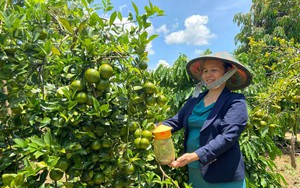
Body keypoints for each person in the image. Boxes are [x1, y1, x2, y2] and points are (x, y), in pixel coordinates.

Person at [161, 51, 252, 188]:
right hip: (195, 171)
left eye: (214, 70)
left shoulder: (235, 101)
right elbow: (175, 122)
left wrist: (195, 155)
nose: (208, 75)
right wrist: (154, 127)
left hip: (223, 175)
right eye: (205, 70)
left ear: (227, 72)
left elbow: (228, 136)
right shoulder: (194, 101)